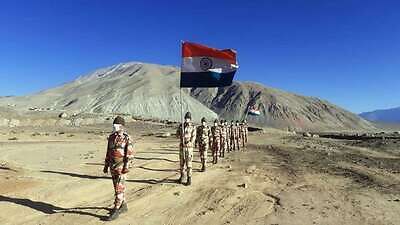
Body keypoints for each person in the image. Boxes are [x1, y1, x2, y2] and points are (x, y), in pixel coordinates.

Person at [103, 116, 134, 221]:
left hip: (121, 167)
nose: (114, 126)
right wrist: (106, 165)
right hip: (113, 167)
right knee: (116, 187)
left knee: (119, 189)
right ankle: (123, 205)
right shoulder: (111, 137)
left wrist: (126, 167)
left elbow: (129, 155)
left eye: (116, 125)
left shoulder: (127, 138)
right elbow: (108, 152)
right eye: (113, 125)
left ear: (121, 126)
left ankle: (116, 209)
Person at [176, 112, 196, 185]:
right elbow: (177, 135)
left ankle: (189, 178)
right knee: (181, 163)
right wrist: (179, 133)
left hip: (189, 148)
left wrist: (190, 142)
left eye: (188, 118)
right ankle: (182, 176)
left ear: (190, 119)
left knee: (189, 163)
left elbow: (194, 137)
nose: (187, 119)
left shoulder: (193, 127)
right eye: (186, 118)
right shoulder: (181, 126)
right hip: (182, 146)